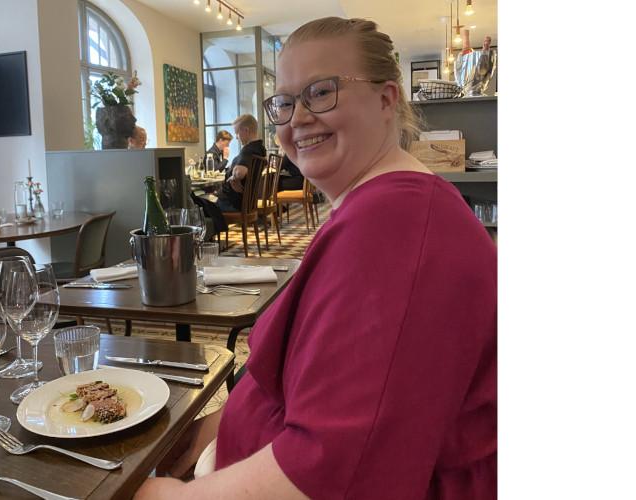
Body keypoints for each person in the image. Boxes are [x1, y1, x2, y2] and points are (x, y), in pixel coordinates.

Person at [136, 16, 496, 500]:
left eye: (321, 92)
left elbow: (337, 469)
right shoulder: (377, 208)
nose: (297, 119)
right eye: (284, 103)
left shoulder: (397, 224)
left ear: (387, 99)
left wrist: (165, 496)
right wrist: (204, 435)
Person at [215, 115, 266, 213]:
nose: (236, 137)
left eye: (237, 133)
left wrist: (234, 178)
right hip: (246, 202)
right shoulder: (260, 149)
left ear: (246, 130)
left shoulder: (248, 150)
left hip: (232, 204)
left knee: (200, 206)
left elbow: (239, 173)